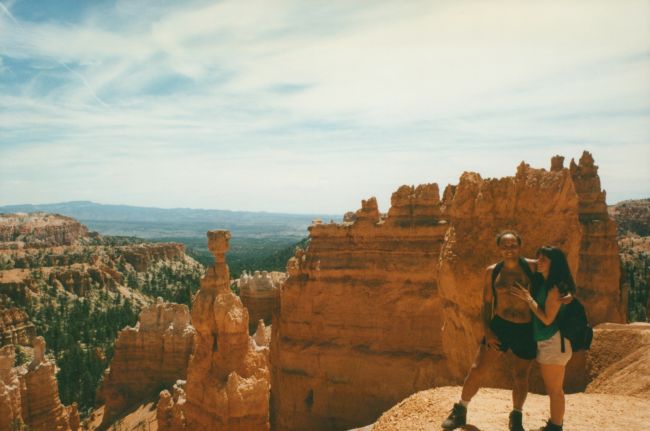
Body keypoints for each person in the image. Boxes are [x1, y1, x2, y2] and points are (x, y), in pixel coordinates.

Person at [442, 231, 538, 431]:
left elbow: (557, 278)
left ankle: (517, 415)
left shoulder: (531, 267)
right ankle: (460, 410)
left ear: (519, 247)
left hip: (526, 329)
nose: (509, 249)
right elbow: (486, 303)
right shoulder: (493, 271)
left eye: (513, 245)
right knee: (477, 369)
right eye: (505, 246)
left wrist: (567, 294)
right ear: (499, 248)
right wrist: (488, 330)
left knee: (521, 375)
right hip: (500, 326)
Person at [511, 246, 575, 431]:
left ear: (554, 263)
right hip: (551, 343)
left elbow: (547, 319)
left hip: (554, 343)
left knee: (555, 391)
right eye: (537, 257)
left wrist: (528, 298)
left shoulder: (554, 288)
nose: (539, 261)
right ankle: (555, 425)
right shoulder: (547, 282)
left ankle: (556, 427)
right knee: (554, 390)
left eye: (544, 259)